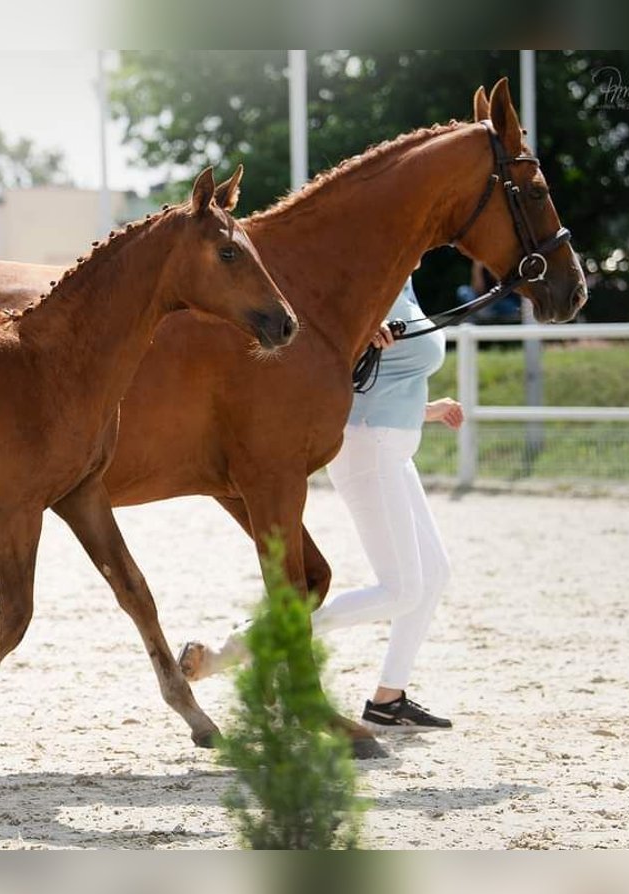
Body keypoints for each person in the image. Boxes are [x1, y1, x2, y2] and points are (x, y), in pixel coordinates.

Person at [180, 276, 463, 733]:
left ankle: (389, 699)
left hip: (394, 445)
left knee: (434, 576)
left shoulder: (406, 280)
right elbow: (318, 354)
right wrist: (357, 337)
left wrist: (426, 408)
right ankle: (250, 644)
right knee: (403, 590)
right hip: (369, 446)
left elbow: (383, 375)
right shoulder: (367, 280)